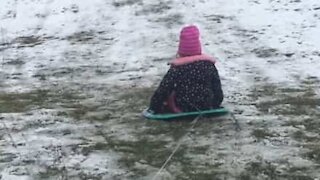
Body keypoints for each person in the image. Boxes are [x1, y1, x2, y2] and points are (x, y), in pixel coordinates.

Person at [148, 25, 223, 114]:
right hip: (206, 105)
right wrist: (215, 104)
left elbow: (163, 89)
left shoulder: (177, 68)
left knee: (170, 94)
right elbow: (216, 88)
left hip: (182, 107)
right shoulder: (208, 65)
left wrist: (154, 106)